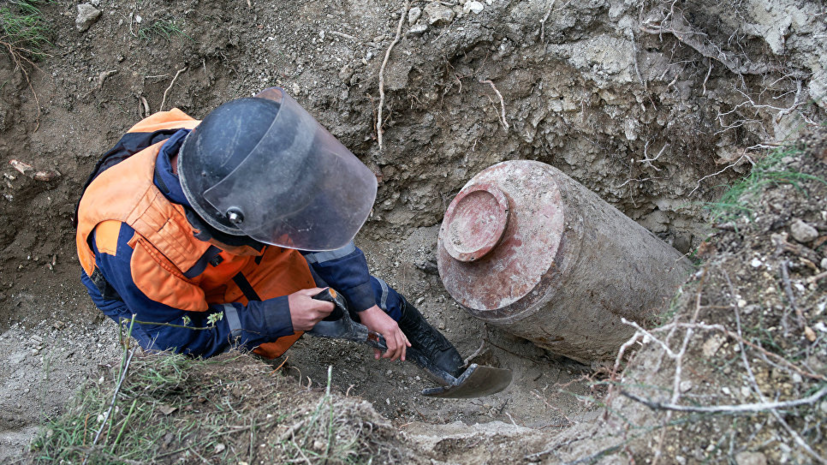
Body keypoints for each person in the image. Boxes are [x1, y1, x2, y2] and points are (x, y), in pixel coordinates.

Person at [75, 87, 464, 377]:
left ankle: (426, 348)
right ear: (235, 225)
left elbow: (320, 227)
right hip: (163, 294)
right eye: (283, 224)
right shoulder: (135, 248)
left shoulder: (235, 148)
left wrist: (365, 302)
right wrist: (277, 315)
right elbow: (181, 337)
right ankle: (271, 381)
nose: (294, 229)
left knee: (347, 295)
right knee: (234, 357)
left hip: (226, 249)